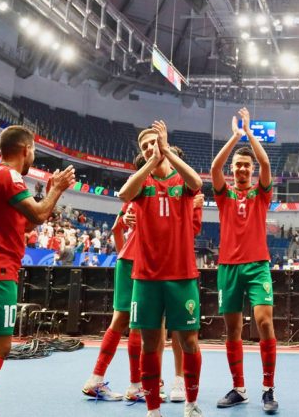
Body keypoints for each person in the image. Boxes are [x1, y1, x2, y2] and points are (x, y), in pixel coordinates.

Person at [0, 126, 75, 416]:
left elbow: (27, 223)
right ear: (26, 150)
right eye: (34, 151)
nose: (33, 157)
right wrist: (57, 189)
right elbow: (38, 213)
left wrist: (50, 195)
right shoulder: (8, 176)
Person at [118, 120, 203, 417]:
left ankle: (191, 403)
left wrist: (166, 152)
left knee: (189, 341)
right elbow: (123, 194)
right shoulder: (143, 185)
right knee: (150, 344)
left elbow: (197, 182)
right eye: (144, 146)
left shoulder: (181, 181)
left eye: (154, 142)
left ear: (164, 144)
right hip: (147, 278)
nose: (150, 148)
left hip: (181, 276)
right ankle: (153, 409)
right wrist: (150, 162)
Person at [210, 107, 278, 413]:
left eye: (245, 166)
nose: (241, 169)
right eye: (237, 165)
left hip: (257, 265)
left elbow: (266, 163)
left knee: (264, 322)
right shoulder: (224, 194)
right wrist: (235, 137)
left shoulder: (260, 194)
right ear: (233, 169)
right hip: (228, 268)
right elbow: (215, 167)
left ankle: (268, 389)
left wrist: (249, 133)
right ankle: (239, 388)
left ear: (251, 170)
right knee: (233, 329)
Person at [82, 155, 146, 402]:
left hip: (127, 259)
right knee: (136, 323)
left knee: (120, 320)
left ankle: (95, 379)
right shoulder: (145, 190)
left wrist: (123, 253)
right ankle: (136, 385)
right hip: (139, 262)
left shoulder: (133, 190)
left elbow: (117, 228)